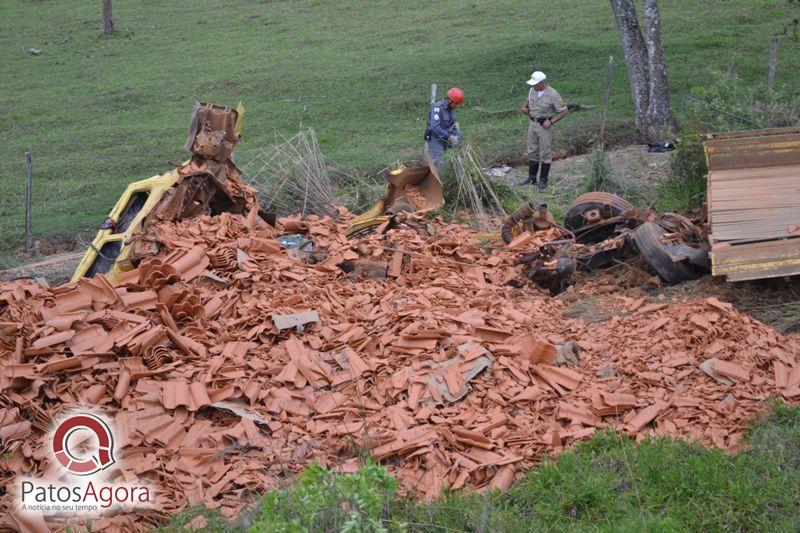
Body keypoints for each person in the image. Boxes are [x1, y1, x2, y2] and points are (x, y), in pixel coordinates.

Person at [519, 71, 568, 188]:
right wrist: (524, 109)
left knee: (545, 153)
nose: (533, 86)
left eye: (535, 84)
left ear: (543, 83)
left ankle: (543, 180)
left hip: (544, 127)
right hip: (532, 124)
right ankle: (532, 178)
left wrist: (551, 121)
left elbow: (564, 111)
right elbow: (526, 105)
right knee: (532, 151)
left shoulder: (553, 94)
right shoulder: (532, 90)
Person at [424, 87, 464, 167]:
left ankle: (458, 160)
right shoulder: (437, 108)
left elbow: (452, 121)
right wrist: (449, 136)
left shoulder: (451, 108)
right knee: (439, 163)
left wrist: (455, 125)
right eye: (455, 104)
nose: (456, 106)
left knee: (460, 135)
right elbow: (434, 127)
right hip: (435, 137)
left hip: (445, 134)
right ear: (449, 100)